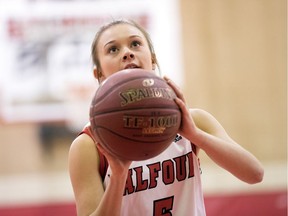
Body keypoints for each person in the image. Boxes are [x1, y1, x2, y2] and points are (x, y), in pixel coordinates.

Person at [68, 19, 264, 216]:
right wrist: (118, 177)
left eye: (135, 44)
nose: (127, 52)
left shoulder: (194, 121)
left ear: (153, 60)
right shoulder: (89, 144)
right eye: (113, 49)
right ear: (99, 73)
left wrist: (196, 135)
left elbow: (254, 174)